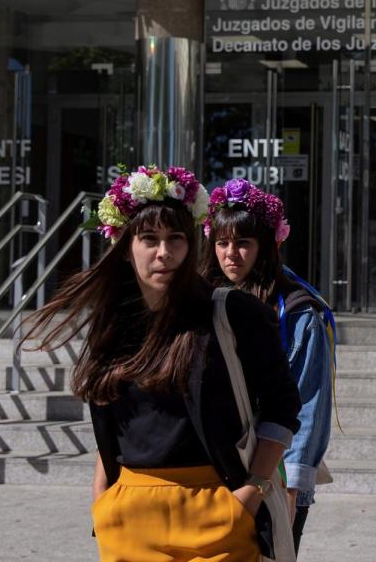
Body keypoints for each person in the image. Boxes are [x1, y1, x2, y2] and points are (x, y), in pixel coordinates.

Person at [23, 166, 300, 562]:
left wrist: (251, 493)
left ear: (191, 246)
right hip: (129, 513)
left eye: (176, 239)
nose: (164, 253)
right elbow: (112, 418)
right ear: (124, 244)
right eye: (149, 239)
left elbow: (283, 406)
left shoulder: (233, 313)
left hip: (218, 507)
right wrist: (102, 500)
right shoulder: (114, 322)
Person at [200, 178, 333, 551]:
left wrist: (291, 488)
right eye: (222, 243)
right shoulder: (201, 302)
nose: (231, 254)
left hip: (274, 471)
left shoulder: (297, 312)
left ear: (266, 247)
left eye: (243, 244)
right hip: (213, 467)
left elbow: (306, 404)